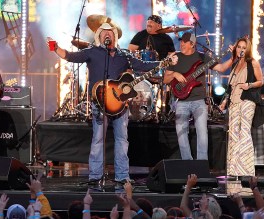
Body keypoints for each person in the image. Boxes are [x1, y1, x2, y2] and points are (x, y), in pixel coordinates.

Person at [47, 22, 177, 183]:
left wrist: (165, 62)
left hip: (120, 105)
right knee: (98, 139)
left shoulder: (124, 55)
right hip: (99, 103)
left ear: (115, 37)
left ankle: (122, 176)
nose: (107, 35)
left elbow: (143, 65)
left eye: (111, 33)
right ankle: (95, 175)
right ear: (99, 37)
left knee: (122, 140)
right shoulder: (92, 52)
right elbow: (70, 56)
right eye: (104, 33)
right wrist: (55, 47)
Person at [163, 32, 234, 160]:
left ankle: (201, 165)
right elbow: (165, 79)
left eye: (185, 42)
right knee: (181, 134)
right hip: (181, 101)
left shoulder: (202, 57)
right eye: (181, 41)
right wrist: (174, 75)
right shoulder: (175, 58)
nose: (182, 44)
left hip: (199, 101)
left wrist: (232, 57)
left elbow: (222, 68)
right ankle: (187, 164)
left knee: (202, 134)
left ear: (192, 44)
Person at [219, 37, 263, 177]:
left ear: (247, 49)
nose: (241, 50)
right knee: (233, 134)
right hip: (234, 101)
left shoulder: (252, 63)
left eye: (244, 48)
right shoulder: (235, 63)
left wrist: (248, 85)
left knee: (244, 133)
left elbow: (261, 81)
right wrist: (225, 101)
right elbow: (231, 85)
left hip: (247, 101)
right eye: (239, 47)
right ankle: (233, 170)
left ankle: (245, 170)